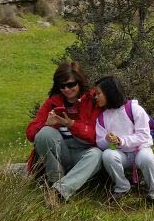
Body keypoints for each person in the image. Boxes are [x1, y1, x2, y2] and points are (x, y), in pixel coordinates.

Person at [26, 61, 103, 204]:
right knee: (44, 133)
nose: (67, 89)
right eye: (62, 86)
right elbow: (30, 133)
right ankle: (56, 180)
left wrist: (70, 124)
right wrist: (45, 124)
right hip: (60, 151)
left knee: (97, 154)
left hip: (83, 151)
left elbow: (95, 136)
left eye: (71, 84)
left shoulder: (93, 99)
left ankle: (58, 192)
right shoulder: (53, 101)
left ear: (80, 82)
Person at [93, 76, 154, 205]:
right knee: (108, 155)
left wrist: (121, 140)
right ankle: (122, 187)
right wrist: (108, 140)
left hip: (140, 149)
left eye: (98, 93)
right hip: (121, 155)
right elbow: (100, 143)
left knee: (146, 159)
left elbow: (144, 135)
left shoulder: (134, 108)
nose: (95, 97)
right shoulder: (102, 117)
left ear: (109, 92)